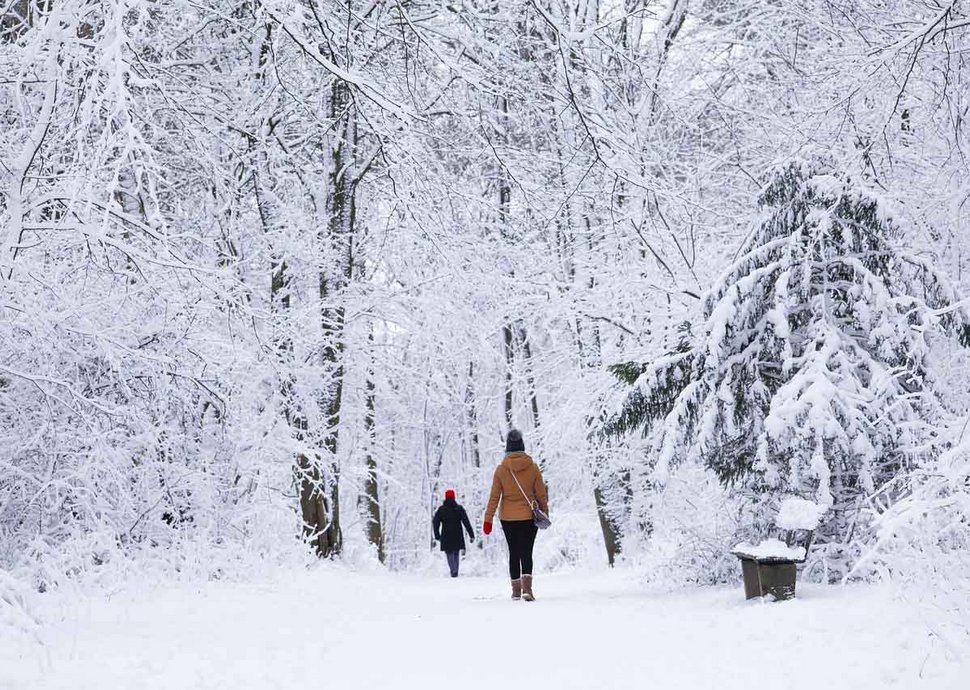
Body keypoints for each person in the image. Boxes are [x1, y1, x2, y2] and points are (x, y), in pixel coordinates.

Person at [483, 429, 548, 601]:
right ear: (522, 446)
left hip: (508, 519)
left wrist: (487, 519)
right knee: (527, 551)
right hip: (528, 517)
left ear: (508, 447)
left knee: (514, 552)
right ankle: (527, 589)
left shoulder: (501, 470)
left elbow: (494, 497)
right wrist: (544, 512)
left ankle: (515, 591)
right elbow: (541, 494)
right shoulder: (533, 468)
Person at [433, 489, 475, 577]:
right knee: (456, 552)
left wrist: (437, 535)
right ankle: (455, 571)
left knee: (449, 553)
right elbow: (466, 522)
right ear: (454, 497)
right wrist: (471, 534)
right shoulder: (459, 508)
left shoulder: (441, 509)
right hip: (457, 534)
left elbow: (435, 522)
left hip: (446, 535)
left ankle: (453, 571)